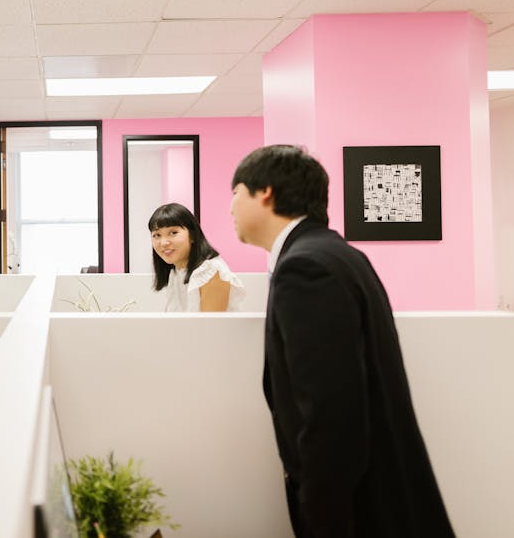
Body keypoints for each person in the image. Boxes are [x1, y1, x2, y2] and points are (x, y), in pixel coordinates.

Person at [230, 145, 454, 538]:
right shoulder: (337, 254)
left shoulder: (305, 267)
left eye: (236, 193)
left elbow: (332, 410)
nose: (231, 208)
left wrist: (322, 515)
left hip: (357, 509)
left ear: (264, 192)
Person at [149, 202, 245, 312]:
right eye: (157, 235)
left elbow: (211, 327)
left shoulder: (211, 271)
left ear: (193, 235)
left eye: (173, 233)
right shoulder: (176, 271)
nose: (164, 242)